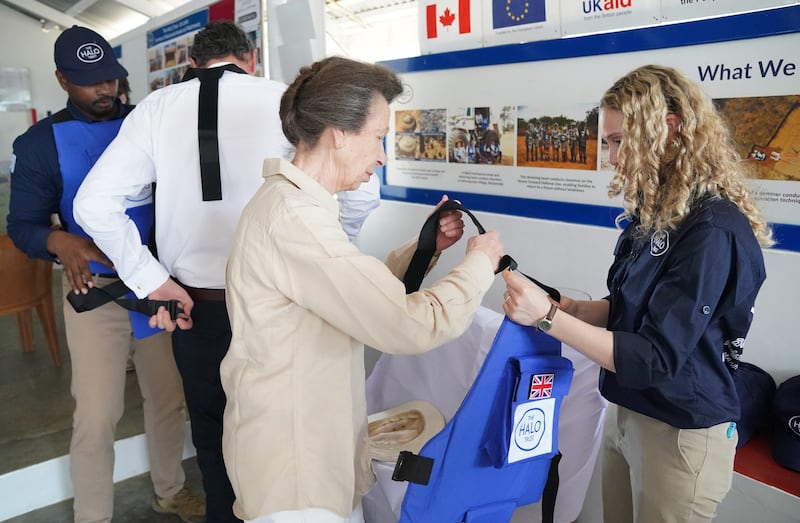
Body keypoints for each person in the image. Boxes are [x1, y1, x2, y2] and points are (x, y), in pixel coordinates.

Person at [74, 21, 383, 522]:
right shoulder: (288, 100)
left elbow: (93, 204)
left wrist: (152, 280)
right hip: (286, 307)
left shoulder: (155, 107)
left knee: (215, 439)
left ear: (192, 64)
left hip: (194, 309)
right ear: (251, 59)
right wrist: (330, 249)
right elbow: (362, 192)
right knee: (291, 440)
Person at [220, 55, 505, 523]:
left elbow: (348, 292)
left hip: (310, 455)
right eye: (377, 137)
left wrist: (425, 248)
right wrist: (480, 264)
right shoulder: (296, 219)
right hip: (295, 474)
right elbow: (408, 324)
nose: (382, 156)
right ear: (339, 133)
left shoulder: (294, 205)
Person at [502, 64, 773, 523]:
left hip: (682, 434)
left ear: (666, 128)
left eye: (620, 141)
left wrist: (548, 318)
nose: (611, 156)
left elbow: (654, 356)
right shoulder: (658, 209)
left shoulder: (712, 228)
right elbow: (630, 308)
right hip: (630, 415)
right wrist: (574, 309)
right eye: (607, 141)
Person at [7, 25, 203, 523]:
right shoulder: (39, 143)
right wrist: (61, 240)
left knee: (166, 401)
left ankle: (170, 490)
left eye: (110, 79)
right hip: (93, 295)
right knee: (95, 417)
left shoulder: (147, 124)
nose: (104, 91)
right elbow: (23, 225)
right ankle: (92, 515)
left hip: (157, 288)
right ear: (61, 80)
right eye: (88, 82)